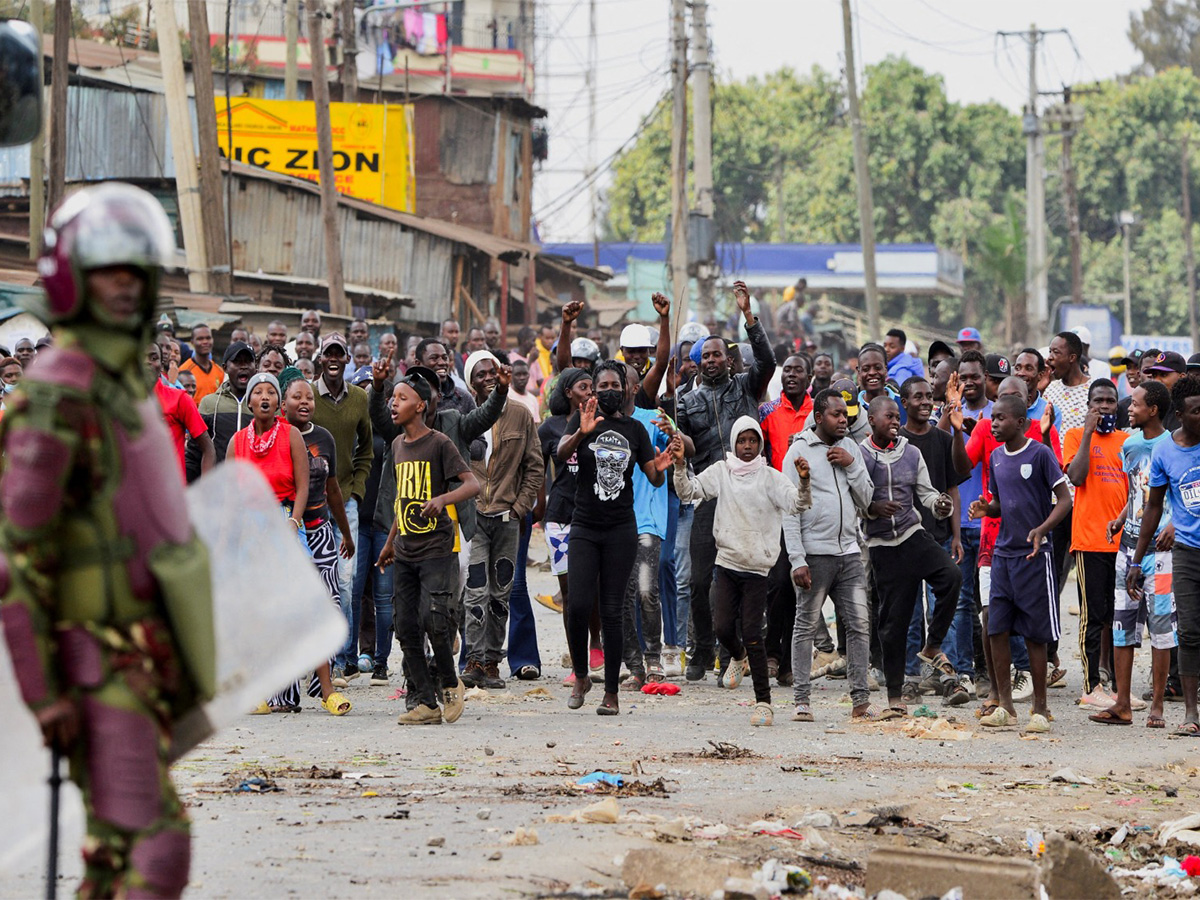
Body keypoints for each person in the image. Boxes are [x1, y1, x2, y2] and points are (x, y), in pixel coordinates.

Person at [0, 185, 214, 899]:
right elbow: (15, 559)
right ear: (73, 279)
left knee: (117, 854)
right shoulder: (56, 393)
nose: (126, 287)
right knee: (154, 846)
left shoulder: (120, 386)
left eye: (136, 272)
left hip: (144, 650)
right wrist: (44, 693)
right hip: (95, 659)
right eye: (108, 271)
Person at [370, 357, 507, 690]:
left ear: (429, 399)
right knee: (410, 617)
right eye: (402, 391)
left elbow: (486, 415)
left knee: (447, 601)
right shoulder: (398, 436)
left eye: (427, 387)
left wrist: (501, 391)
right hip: (407, 535)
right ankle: (421, 685)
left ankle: (445, 666)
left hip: (450, 531)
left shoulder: (452, 424)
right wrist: (376, 387)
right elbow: (377, 416)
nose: (419, 392)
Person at [673, 416, 810, 725]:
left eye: (752, 441)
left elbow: (797, 504)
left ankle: (764, 702)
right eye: (741, 441)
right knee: (722, 627)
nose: (747, 446)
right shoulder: (722, 471)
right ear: (733, 443)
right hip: (727, 563)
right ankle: (737, 657)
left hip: (758, 568)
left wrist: (803, 481)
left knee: (751, 632)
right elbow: (688, 492)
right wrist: (680, 465)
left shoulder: (771, 477)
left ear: (760, 444)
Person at [558, 361, 673, 714]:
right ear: (593, 389)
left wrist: (665, 463)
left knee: (612, 610)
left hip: (622, 529)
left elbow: (652, 477)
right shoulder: (583, 419)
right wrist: (581, 432)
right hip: (584, 527)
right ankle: (581, 675)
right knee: (577, 604)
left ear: (625, 389)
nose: (608, 389)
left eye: (614, 384)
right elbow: (560, 454)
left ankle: (611, 692)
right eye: (601, 384)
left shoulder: (636, 429)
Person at [676, 281, 776, 681]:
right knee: (700, 580)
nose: (714, 359)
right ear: (698, 363)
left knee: (744, 577)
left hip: (749, 495)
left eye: (720, 354)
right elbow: (681, 445)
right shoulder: (687, 401)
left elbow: (767, 360)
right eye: (707, 355)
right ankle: (701, 651)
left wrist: (748, 315)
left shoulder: (746, 386)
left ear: (730, 361)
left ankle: (731, 653)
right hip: (708, 496)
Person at [372, 372, 480, 725]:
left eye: (401, 398)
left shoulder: (439, 443)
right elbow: (401, 501)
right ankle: (425, 701)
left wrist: (442, 499)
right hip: (405, 549)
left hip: (437, 547)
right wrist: (389, 544)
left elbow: (472, 484)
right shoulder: (397, 446)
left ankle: (449, 683)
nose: (393, 403)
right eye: (393, 398)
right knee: (405, 626)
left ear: (420, 406)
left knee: (435, 618)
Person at [969, 394, 1073, 733]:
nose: (994, 423)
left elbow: (1065, 499)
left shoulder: (1040, 454)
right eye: (992, 418)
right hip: (1003, 554)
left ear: (1020, 423)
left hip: (1033, 557)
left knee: (1035, 632)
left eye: (1000, 418)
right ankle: (1006, 707)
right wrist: (987, 508)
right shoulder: (997, 457)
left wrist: (1042, 530)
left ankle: (1040, 709)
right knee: (995, 626)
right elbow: (999, 502)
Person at [256, 370, 355, 716]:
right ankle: (284, 693)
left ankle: (324, 684)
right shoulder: (274, 437)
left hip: (319, 530)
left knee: (326, 605)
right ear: (283, 403)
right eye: (296, 397)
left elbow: (333, 489)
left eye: (309, 397)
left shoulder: (324, 438)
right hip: (284, 531)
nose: (304, 402)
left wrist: (345, 531)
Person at [861, 395, 962, 716]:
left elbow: (926, 491)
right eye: (889, 417)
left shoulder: (911, 452)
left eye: (896, 417)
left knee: (952, 577)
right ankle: (894, 699)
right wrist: (872, 508)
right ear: (872, 420)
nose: (894, 422)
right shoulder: (859, 456)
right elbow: (853, 497)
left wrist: (939, 504)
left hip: (912, 535)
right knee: (894, 624)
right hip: (881, 548)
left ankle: (932, 646)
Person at [1093, 381, 1175, 727]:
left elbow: (1170, 496)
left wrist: (1173, 526)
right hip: (1127, 544)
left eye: (1136, 404)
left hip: (1161, 549)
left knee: (1160, 626)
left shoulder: (1173, 445)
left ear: (1153, 410)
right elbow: (1137, 494)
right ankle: (1122, 703)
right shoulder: (1131, 445)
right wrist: (1120, 518)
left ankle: (1156, 704)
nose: (1129, 408)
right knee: (1122, 623)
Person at [460, 350, 544, 689]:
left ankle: (493, 663)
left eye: (491, 371)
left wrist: (521, 507)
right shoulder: (463, 418)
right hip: (475, 518)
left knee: (501, 593)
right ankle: (474, 661)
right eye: (479, 374)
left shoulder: (521, 415)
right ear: (470, 383)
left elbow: (534, 466)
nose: (488, 377)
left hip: (508, 519)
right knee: (475, 592)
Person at [1130, 376, 1200, 736]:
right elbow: (1153, 507)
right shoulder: (1166, 452)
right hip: (1187, 552)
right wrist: (1136, 559)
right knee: (1189, 632)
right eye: (1196, 411)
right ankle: (1191, 713)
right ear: (1180, 414)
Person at [899, 376, 970, 706]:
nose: (925, 402)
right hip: (905, 541)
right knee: (909, 612)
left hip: (939, 538)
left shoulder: (942, 439)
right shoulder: (897, 440)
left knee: (945, 609)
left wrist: (956, 535)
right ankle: (911, 677)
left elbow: (952, 487)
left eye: (930, 396)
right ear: (905, 403)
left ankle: (948, 675)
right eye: (918, 397)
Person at [311, 332, 374, 682]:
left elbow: (366, 447)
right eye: (328, 354)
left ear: (347, 359)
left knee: (346, 583)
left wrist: (359, 486)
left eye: (340, 354)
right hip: (313, 502)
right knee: (319, 579)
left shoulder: (360, 397)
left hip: (347, 497)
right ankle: (324, 659)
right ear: (322, 359)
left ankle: (341, 657)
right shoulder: (308, 393)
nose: (334, 359)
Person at [1063, 379, 1129, 709]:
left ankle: (1120, 688)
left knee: (1119, 617)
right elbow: (1076, 477)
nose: (1104, 406)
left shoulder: (1127, 440)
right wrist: (1088, 432)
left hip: (1124, 543)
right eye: (1098, 401)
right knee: (1092, 617)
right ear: (1089, 405)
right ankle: (1091, 687)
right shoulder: (1076, 437)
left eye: (1110, 401)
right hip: (1090, 541)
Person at [538, 369, 602, 680]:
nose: (590, 391)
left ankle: (596, 642)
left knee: (595, 587)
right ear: (568, 392)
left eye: (593, 386)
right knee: (570, 593)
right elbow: (537, 468)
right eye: (583, 386)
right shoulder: (550, 427)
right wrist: (537, 505)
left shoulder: (603, 421)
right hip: (561, 516)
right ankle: (578, 663)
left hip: (593, 512)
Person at [759, 352, 814, 685]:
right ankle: (772, 653)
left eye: (799, 371)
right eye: (788, 370)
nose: (792, 375)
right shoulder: (768, 412)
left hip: (810, 506)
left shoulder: (817, 411)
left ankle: (790, 660)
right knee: (779, 581)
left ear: (809, 377)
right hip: (777, 507)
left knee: (801, 586)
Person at [620, 363, 672, 689]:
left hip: (647, 519)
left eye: (621, 382)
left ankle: (654, 658)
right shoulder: (598, 422)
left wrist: (674, 431)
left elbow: (683, 447)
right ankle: (634, 665)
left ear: (635, 387)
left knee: (646, 591)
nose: (615, 389)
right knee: (621, 598)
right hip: (614, 522)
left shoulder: (650, 420)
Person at [186, 340, 256, 480]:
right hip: (219, 488)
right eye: (237, 362)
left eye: (248, 362)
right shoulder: (209, 404)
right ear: (225, 367)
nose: (243, 366)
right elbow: (195, 452)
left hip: (253, 489)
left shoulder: (263, 404)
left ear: (256, 366)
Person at [148, 341, 214, 479]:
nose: (147, 362)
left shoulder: (180, 399)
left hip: (172, 492)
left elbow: (208, 449)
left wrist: (206, 490)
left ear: (161, 366)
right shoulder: (124, 402)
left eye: (154, 358)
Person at [416, 337, 474, 414]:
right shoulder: (406, 396)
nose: (442, 362)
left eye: (445, 358)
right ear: (418, 364)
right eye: (434, 358)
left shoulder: (463, 398)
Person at [178, 323, 224, 403]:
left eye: (208, 338)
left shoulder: (219, 371)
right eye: (200, 339)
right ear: (192, 342)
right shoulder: (183, 371)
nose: (205, 342)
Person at [509, 356, 541, 423]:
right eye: (518, 374)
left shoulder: (533, 399)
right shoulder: (506, 396)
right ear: (511, 376)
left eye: (525, 374)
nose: (522, 377)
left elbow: (536, 424)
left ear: (528, 375)